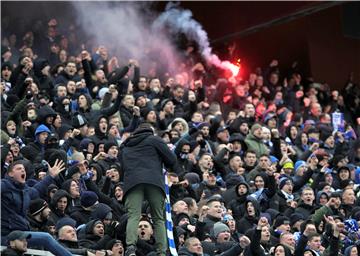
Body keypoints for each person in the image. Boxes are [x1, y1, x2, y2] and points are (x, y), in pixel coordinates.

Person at [119, 122, 176, 256]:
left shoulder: (125, 145)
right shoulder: (154, 139)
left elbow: (122, 166)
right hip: (154, 181)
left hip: (133, 182)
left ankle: (131, 248)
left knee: (134, 216)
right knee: (158, 218)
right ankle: (162, 251)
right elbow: (172, 160)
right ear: (150, 131)